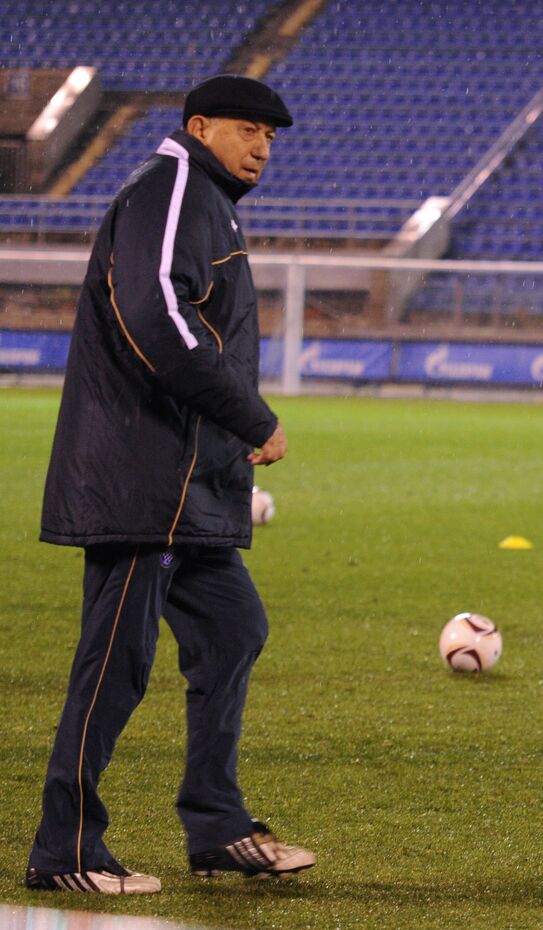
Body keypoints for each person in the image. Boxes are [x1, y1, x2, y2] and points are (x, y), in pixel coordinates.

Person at [26, 75, 315, 895]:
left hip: (188, 487)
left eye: (272, 135)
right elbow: (155, 314)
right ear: (198, 127)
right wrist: (251, 416)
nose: (263, 145)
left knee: (233, 631)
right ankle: (66, 848)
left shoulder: (210, 202)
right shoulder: (171, 187)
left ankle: (217, 828)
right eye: (247, 129)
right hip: (142, 481)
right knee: (114, 664)